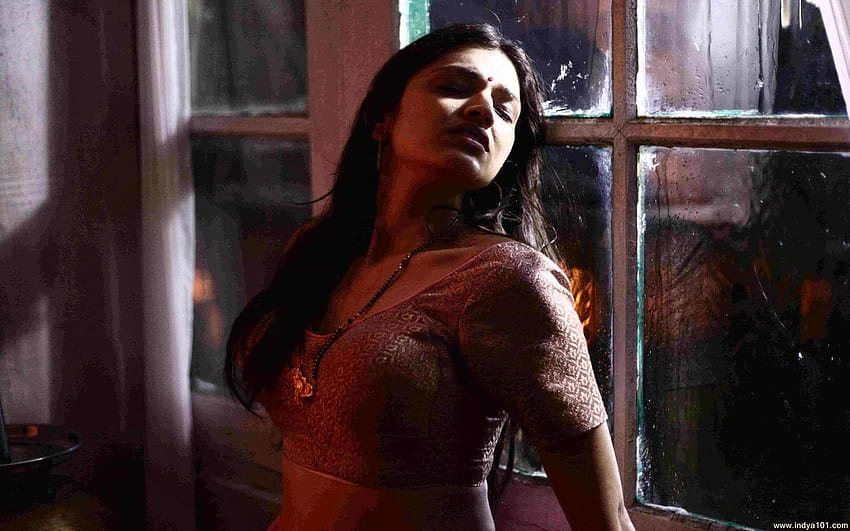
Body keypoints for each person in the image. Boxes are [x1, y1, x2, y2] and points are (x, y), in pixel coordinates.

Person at [225, 23, 635, 531]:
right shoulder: (319, 249)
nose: (483, 109)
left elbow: (607, 519)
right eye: (456, 87)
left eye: (505, 110)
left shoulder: (506, 280)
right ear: (383, 117)